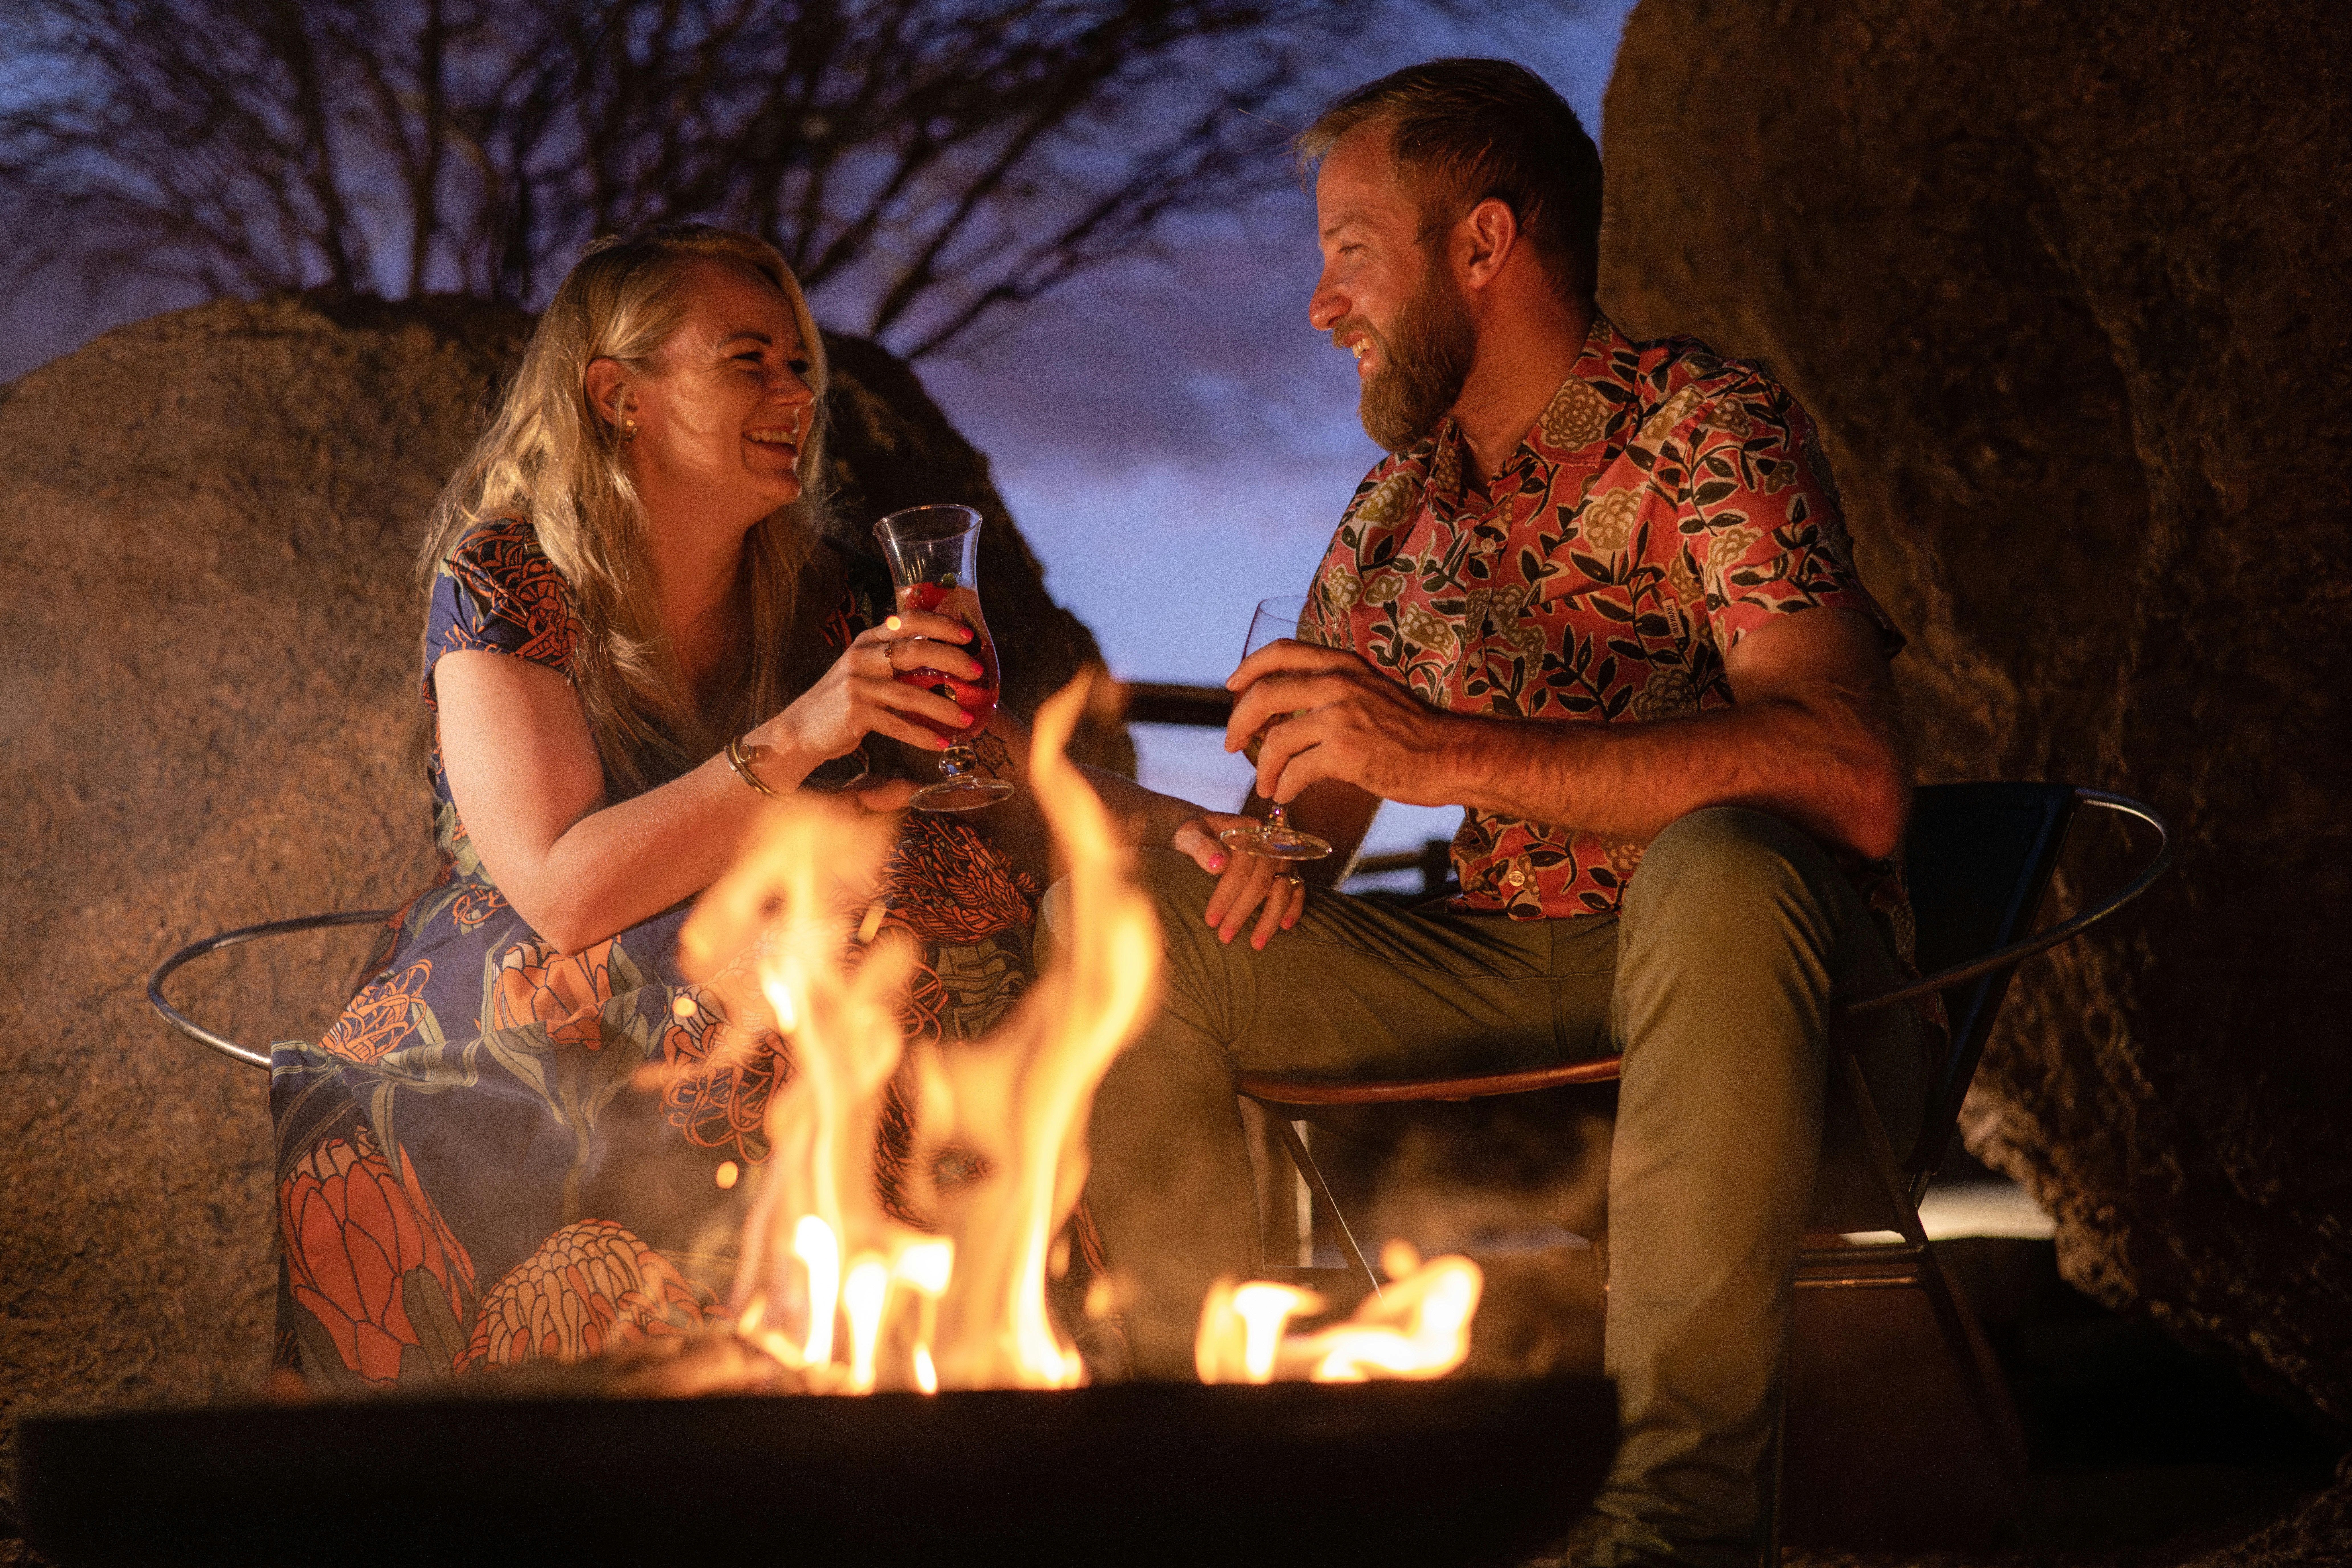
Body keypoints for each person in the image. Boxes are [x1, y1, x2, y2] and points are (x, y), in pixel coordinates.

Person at [1077, 60, 1940, 1566]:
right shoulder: (1393, 513)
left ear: (1483, 242)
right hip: (1492, 976)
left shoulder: (1704, 425)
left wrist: (1447, 750)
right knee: (1137, 927)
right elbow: (1302, 834)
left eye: (1353, 250)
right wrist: (1128, 817)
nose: (1321, 305)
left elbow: (1854, 776)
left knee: (1721, 866)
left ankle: (1668, 1527)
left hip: (1749, 992)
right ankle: (1208, 1487)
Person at [271, 223, 1232, 1391]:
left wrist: (1171, 821)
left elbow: (995, 766)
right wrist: (805, 735)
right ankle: (747, 1395)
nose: (797, 391)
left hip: (762, 942)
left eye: (798, 363)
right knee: (815, 979)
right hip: (536, 974)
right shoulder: (508, 577)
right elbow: (565, 891)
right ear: (619, 396)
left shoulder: (824, 588)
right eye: (750, 361)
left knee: (943, 918)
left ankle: (986, 1372)